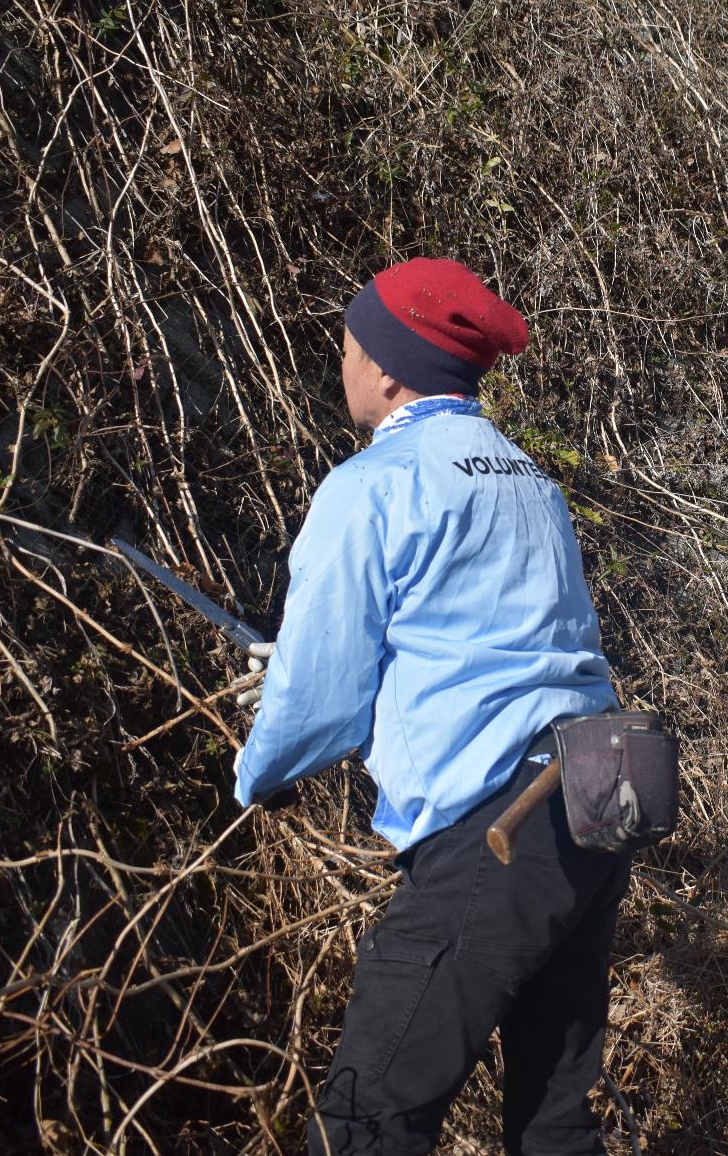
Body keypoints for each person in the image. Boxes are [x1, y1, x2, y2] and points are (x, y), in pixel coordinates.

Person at [234, 257, 628, 1154]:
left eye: (348, 343)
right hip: (598, 799)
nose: (340, 361)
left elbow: (317, 699)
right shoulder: (529, 478)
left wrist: (255, 768)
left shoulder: (375, 485)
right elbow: (485, 646)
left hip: (498, 826)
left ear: (385, 369)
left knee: (364, 1123)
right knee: (554, 1125)